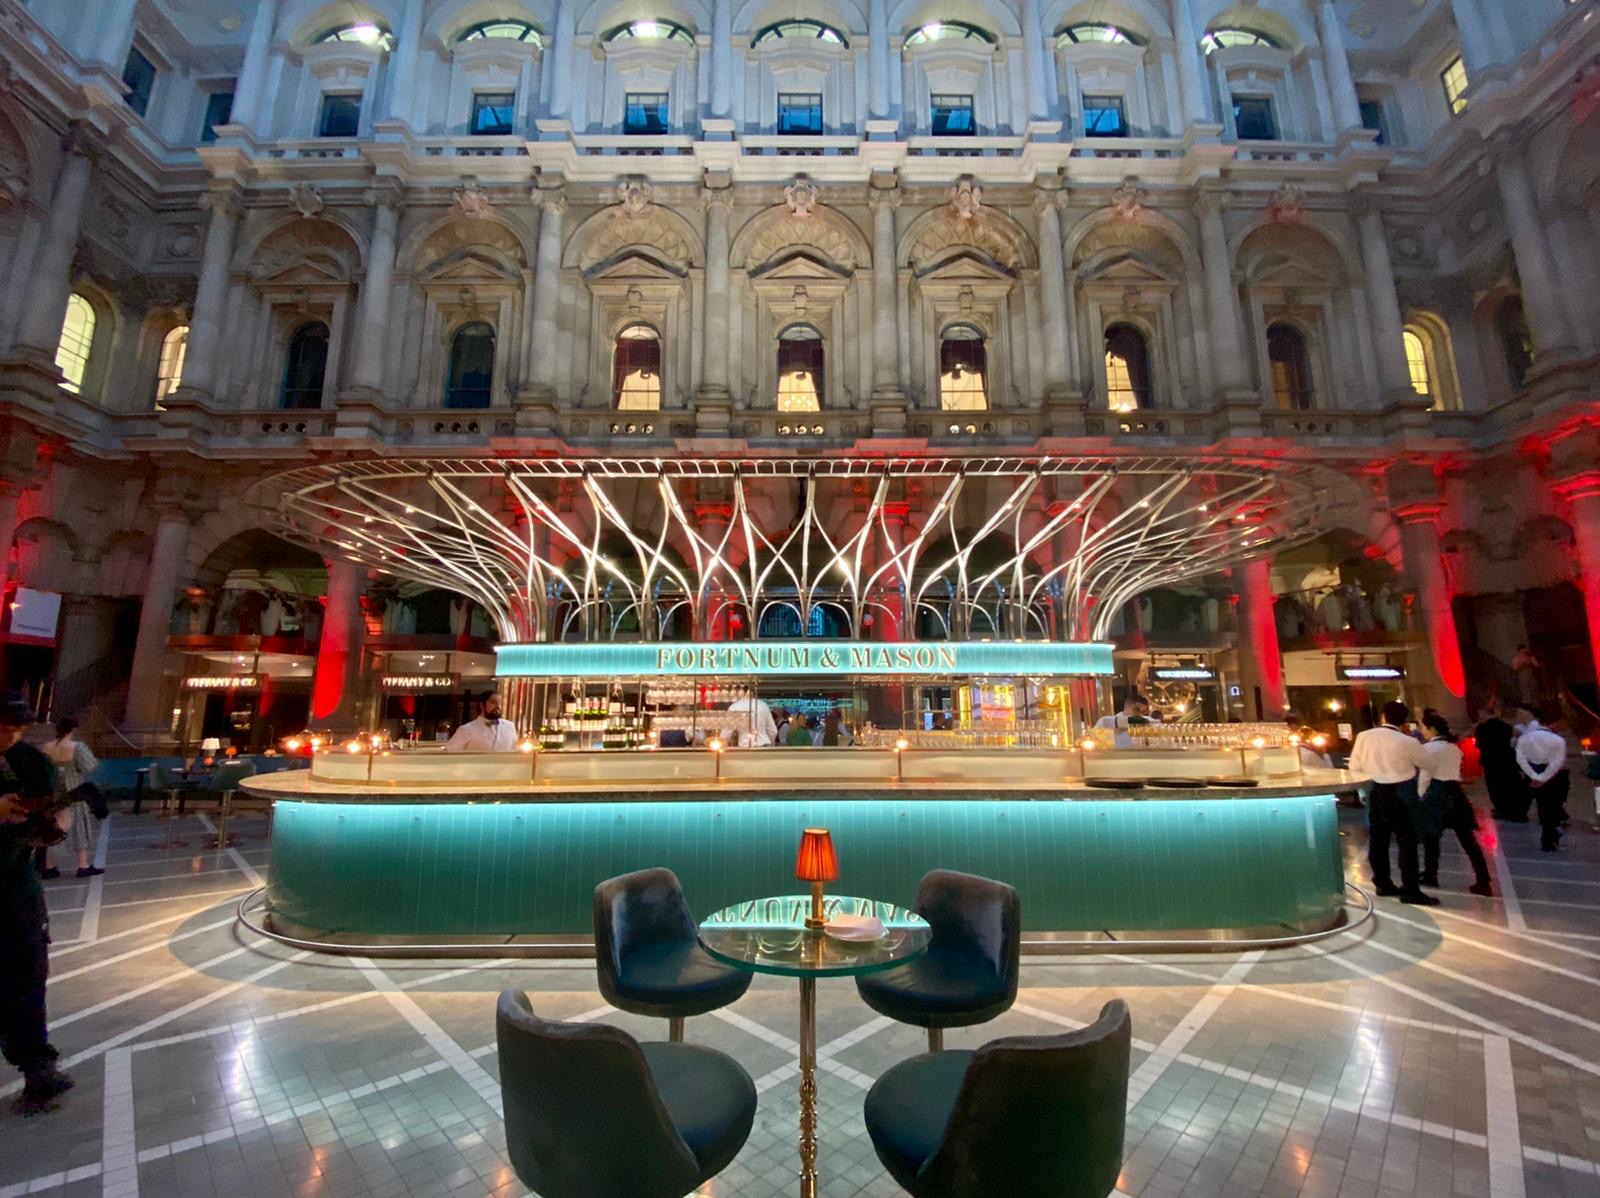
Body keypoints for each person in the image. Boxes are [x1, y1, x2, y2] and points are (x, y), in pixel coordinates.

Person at [0, 693, 74, 1115]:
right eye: (4, 727)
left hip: (18, 888)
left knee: (29, 974)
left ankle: (37, 1068)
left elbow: (53, 808)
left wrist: (52, 824)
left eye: (19, 729)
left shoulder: (32, 762)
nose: (11, 736)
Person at [1347, 700, 1438, 905]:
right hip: (1402, 792)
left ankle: (1383, 883)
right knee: (1407, 842)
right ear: (1404, 721)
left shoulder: (1364, 737)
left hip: (1376, 791)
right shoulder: (1408, 741)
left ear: (1383, 716)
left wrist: (1363, 791)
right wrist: (1420, 788)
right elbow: (1429, 764)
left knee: (1378, 841)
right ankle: (1410, 889)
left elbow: (1355, 767)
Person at [1417, 714, 1493, 896]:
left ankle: (1430, 874)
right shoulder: (1453, 747)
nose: (1422, 731)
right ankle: (1483, 879)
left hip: (1436, 792)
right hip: (1455, 792)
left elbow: (1425, 776)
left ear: (1432, 729)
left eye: (1423, 727)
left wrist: (1420, 797)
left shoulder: (1427, 749)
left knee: (1431, 837)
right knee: (1468, 839)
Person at [40, 719, 102, 880]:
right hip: (74, 790)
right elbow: (90, 766)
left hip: (53, 792)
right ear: (73, 729)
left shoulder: (46, 747)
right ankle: (83, 865)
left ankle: (49, 866)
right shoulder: (77, 747)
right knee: (79, 826)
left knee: (52, 827)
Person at [1514, 706, 1569, 851]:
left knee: (1542, 805)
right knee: (1553, 806)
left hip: (1533, 769)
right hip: (1553, 773)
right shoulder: (1558, 740)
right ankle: (1550, 838)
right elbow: (1558, 762)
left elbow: (1520, 758)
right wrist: (1544, 777)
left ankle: (1548, 838)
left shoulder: (1525, 738)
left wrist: (1533, 776)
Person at [1475, 707, 1523, 821]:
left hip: (1490, 761)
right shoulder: (1505, 725)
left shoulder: (1482, 728)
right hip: (1506, 759)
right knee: (1508, 785)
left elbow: (1478, 744)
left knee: (1495, 786)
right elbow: (1517, 734)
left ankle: (1501, 808)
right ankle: (1512, 808)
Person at [443, 692, 518, 752]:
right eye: (493, 702)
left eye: (500, 702)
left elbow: (515, 751)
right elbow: (449, 753)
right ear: (482, 705)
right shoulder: (466, 730)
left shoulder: (510, 726)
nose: (498, 706)